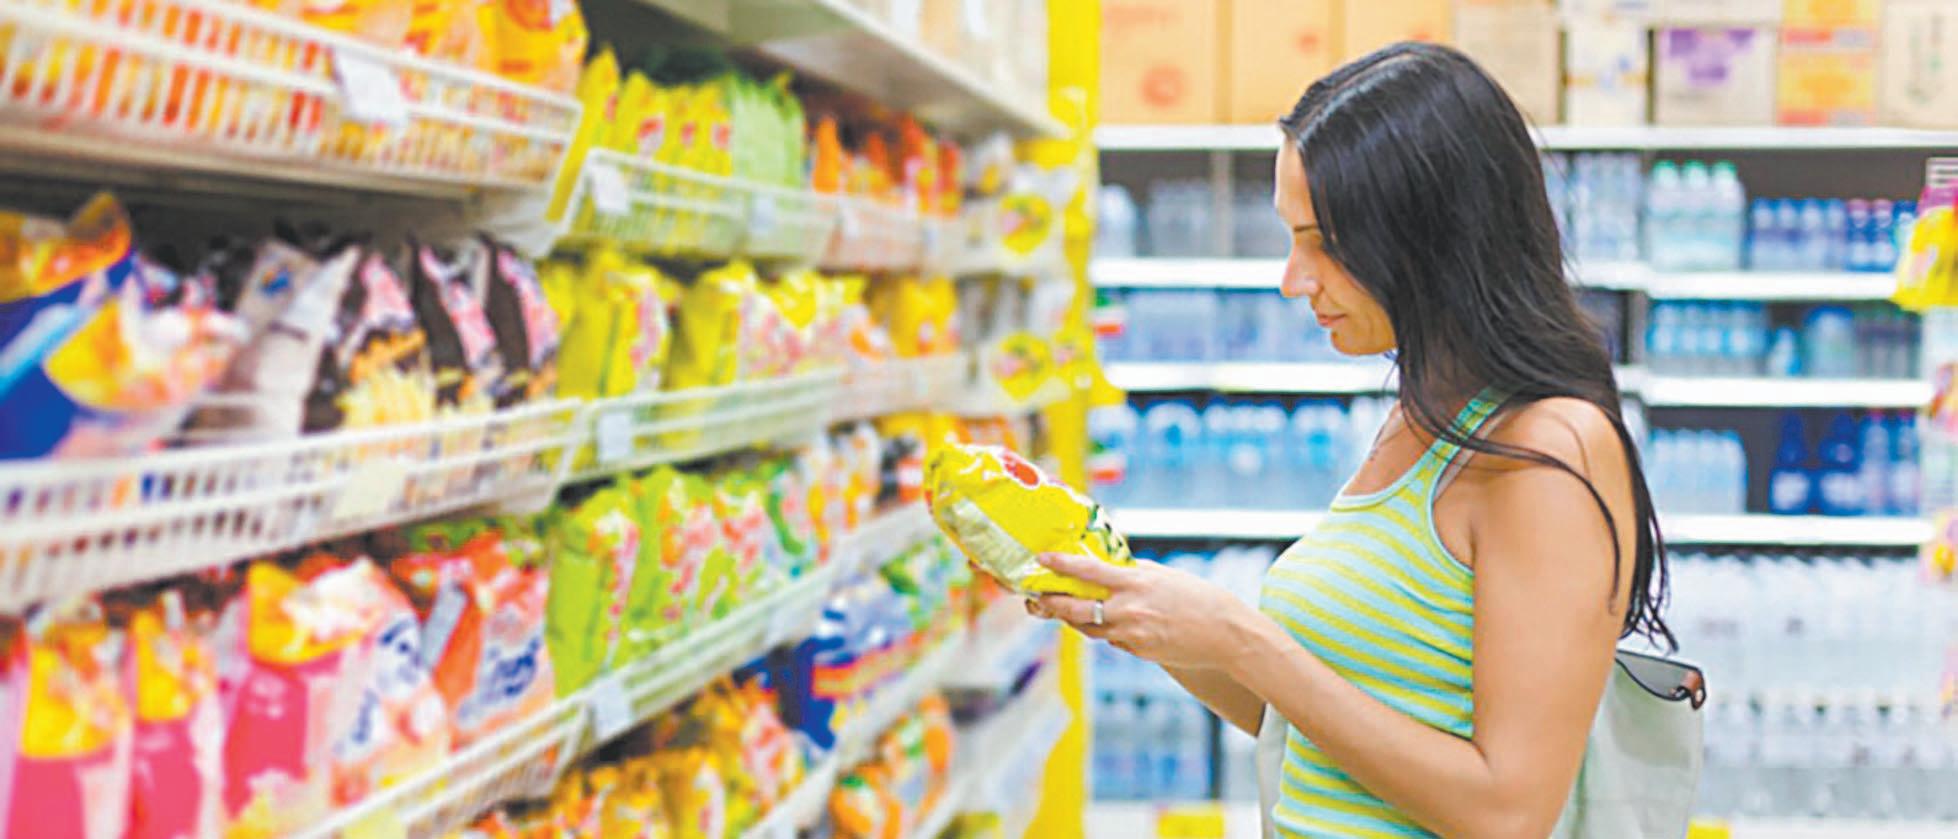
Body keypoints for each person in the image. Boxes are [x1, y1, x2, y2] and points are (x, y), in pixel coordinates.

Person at [1032, 43, 1673, 838]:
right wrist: (1137, 610)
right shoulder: (1422, 418)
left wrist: (1244, 638)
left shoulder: (1549, 451)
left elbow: (1509, 811)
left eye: (1324, 242)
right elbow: (1306, 725)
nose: (1293, 279)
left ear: (1433, 235)